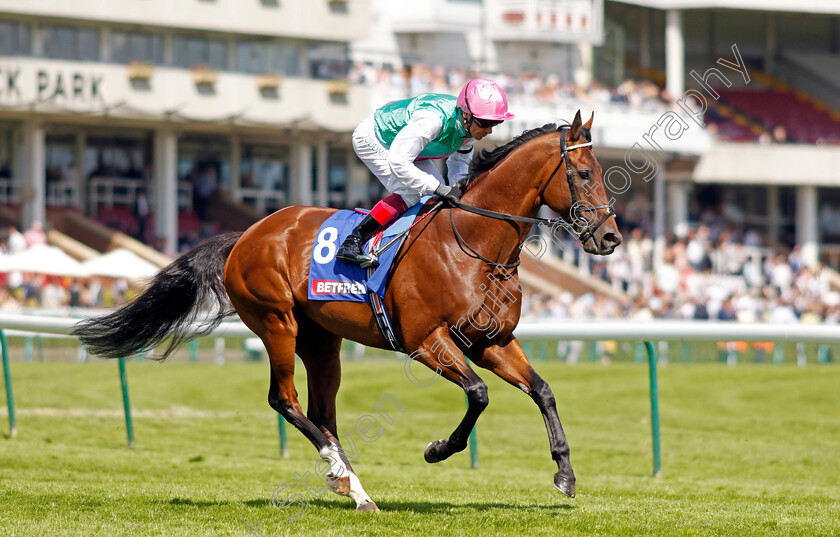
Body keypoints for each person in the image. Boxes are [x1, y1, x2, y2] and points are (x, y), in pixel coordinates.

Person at [336, 78, 514, 267]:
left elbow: (459, 163)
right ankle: (353, 241)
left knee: (437, 199)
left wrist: (460, 191)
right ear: (466, 115)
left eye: (495, 123)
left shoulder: (469, 128)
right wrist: (439, 187)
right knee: (411, 193)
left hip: (410, 151)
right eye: (485, 122)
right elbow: (398, 162)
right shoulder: (432, 120)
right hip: (375, 138)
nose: (489, 130)